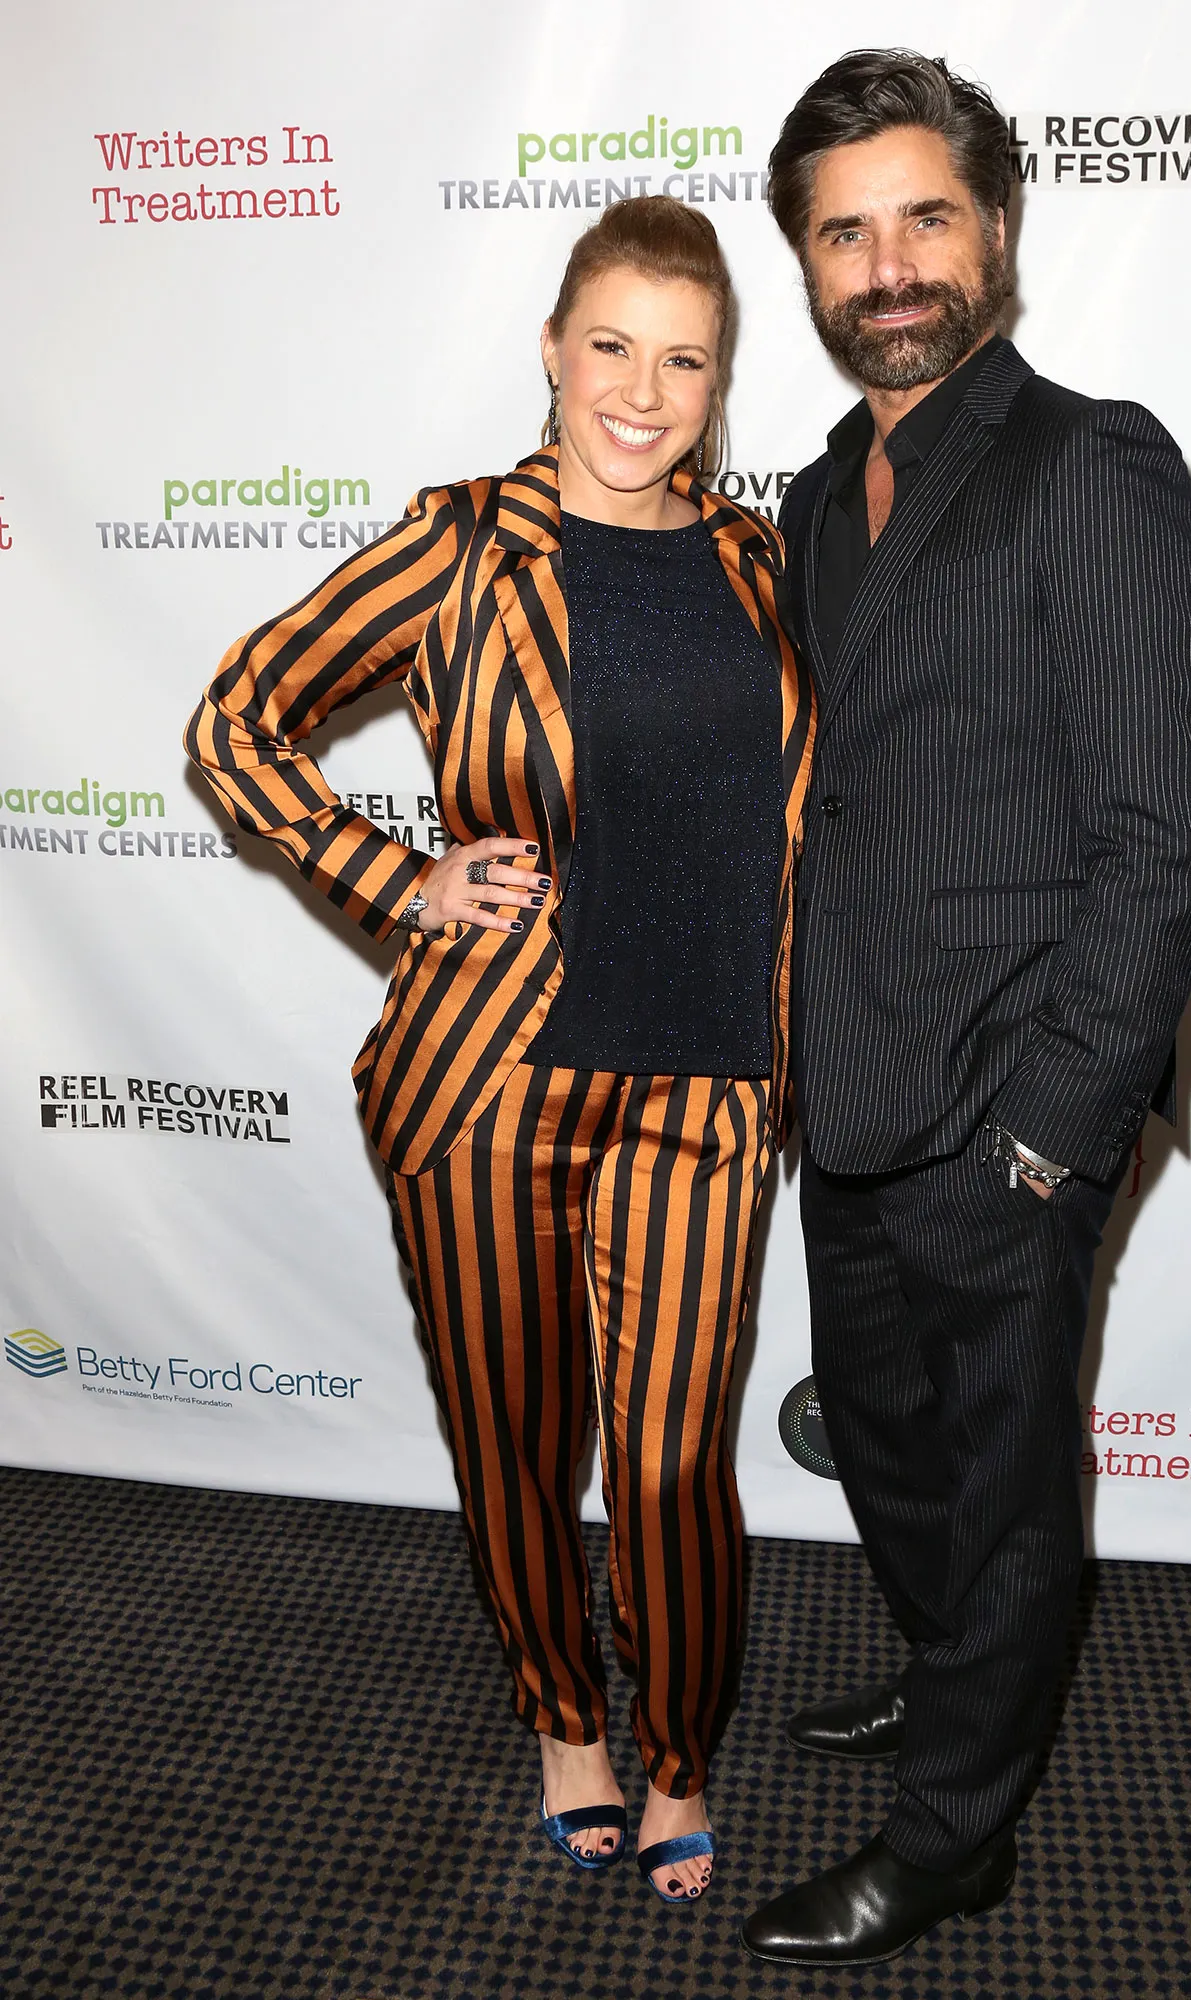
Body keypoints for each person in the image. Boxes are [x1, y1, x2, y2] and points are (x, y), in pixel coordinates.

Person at [186, 197, 815, 1907]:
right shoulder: (460, 542)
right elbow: (237, 721)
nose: (642, 392)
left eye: (684, 360)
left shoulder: (760, 562)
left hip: (707, 1084)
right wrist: (397, 878)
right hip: (491, 1085)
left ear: (720, 381)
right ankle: (564, 1720)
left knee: (673, 1462)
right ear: (552, 347)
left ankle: (678, 1747)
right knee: (518, 1444)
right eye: (610, 345)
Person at [740, 52, 1191, 1965]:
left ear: (998, 227)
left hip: (1011, 1097)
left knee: (1009, 1483)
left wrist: (1052, 1127)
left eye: (923, 219)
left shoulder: (1091, 460)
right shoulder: (809, 499)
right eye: (844, 233)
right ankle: (959, 1672)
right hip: (848, 1083)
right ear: (805, 263)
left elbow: (1164, 831)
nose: (887, 268)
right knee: (884, 1438)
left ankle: (956, 1837)